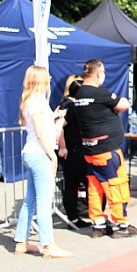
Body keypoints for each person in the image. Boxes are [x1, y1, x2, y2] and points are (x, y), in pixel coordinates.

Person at [73, 59, 137, 238]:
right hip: (107, 150)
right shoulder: (99, 93)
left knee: (95, 188)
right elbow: (124, 104)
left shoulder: (79, 94)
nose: (104, 75)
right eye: (103, 72)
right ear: (97, 73)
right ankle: (121, 225)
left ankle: (98, 225)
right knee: (116, 186)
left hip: (90, 150)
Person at [12, 65, 73, 259]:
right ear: (41, 80)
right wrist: (52, 156)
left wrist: (55, 117)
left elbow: (40, 128)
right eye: (47, 77)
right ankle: (48, 244)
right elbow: (40, 133)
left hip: (32, 153)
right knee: (44, 201)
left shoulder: (32, 101)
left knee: (31, 199)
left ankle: (21, 241)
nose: (50, 79)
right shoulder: (36, 102)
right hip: (40, 154)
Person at [56, 73, 90, 228]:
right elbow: (59, 127)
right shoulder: (71, 106)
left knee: (70, 184)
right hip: (73, 149)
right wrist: (63, 146)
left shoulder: (64, 104)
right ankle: (94, 214)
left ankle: (73, 218)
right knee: (88, 181)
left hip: (69, 150)